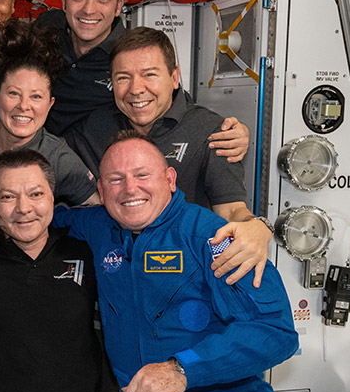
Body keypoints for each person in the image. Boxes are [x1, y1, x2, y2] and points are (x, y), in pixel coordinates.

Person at [52, 132, 298, 392]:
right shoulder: (98, 227)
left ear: (170, 179)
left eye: (142, 175)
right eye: (116, 179)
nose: (130, 189)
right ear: (102, 191)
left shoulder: (212, 238)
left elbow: (274, 330)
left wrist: (182, 369)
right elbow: (38, 219)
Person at [68, 26, 273, 285]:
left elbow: (232, 211)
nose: (136, 89)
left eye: (149, 75)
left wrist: (257, 228)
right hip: (116, 286)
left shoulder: (211, 131)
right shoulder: (92, 129)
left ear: (174, 77)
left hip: (187, 287)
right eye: (123, 78)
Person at [34, 0, 248, 162]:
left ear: (119, 6)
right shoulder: (44, 31)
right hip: (36, 155)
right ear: (63, 1)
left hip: (91, 166)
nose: (89, 9)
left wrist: (232, 133)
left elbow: (173, 105)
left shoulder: (129, 55)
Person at [0, 150, 105, 392]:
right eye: (7, 196)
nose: (23, 208)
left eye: (36, 194)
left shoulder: (87, 253)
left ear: (53, 197)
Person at [0, 19, 99, 205]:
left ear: (50, 104)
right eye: (13, 94)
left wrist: (60, 218)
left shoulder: (59, 159)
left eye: (36, 97)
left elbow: (97, 210)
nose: (24, 106)